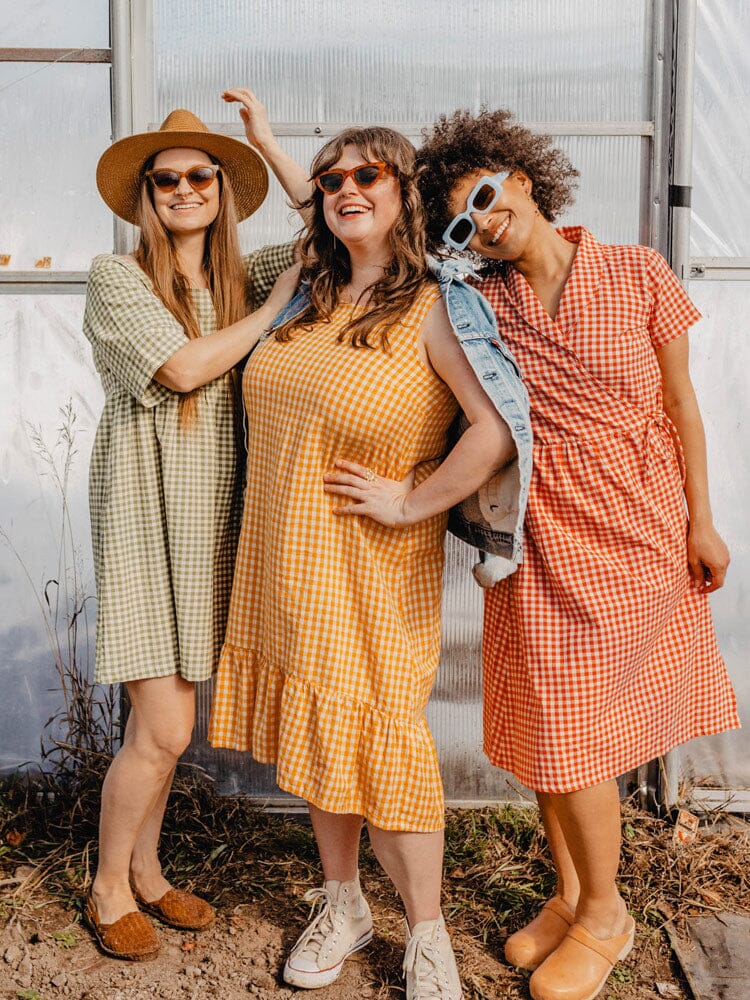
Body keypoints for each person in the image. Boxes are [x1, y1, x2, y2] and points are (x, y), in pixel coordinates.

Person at [208, 89, 530, 1000]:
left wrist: (408, 502)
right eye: (330, 178)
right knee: (323, 735)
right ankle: (344, 901)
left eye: (368, 174)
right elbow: (321, 212)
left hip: (374, 567)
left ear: (404, 193)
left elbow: (494, 429)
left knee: (385, 742)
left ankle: (426, 933)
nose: (346, 188)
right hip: (287, 555)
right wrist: (271, 148)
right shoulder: (305, 291)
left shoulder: (435, 304)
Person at [415, 108, 740, 1000]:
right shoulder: (480, 304)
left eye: (483, 195)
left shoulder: (639, 274)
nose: (479, 221)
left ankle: (607, 914)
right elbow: (352, 237)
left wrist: (702, 521)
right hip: (538, 532)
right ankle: (568, 896)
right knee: (544, 723)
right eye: (458, 220)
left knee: (581, 731)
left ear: (520, 175)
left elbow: (682, 408)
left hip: (636, 529)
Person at [82, 108, 299, 961]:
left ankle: (146, 871)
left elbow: (337, 231)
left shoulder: (251, 276)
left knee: (168, 724)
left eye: (200, 176)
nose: (182, 190)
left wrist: (272, 148)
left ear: (222, 194)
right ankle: (107, 889)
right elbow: (180, 369)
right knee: (164, 729)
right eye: (165, 179)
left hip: (213, 521)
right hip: (142, 516)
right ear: (146, 195)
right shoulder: (117, 276)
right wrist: (275, 310)